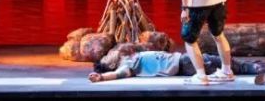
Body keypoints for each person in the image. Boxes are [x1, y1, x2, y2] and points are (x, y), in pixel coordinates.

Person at [88, 50, 225, 83]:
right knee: (225, 64)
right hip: (184, 64)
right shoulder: (125, 66)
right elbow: (117, 74)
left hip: (182, 59)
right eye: (106, 57)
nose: (110, 53)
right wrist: (101, 77)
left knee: (225, 62)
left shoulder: (130, 57)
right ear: (111, 64)